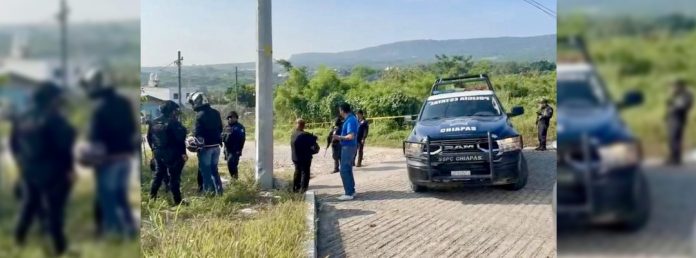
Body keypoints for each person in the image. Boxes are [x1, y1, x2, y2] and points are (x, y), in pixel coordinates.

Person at [11, 83, 76, 255]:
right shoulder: (54, 118)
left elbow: (14, 145)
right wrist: (69, 169)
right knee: (55, 211)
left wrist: (22, 164)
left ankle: (19, 239)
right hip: (53, 172)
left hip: (29, 171)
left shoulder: (22, 117)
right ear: (51, 99)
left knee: (28, 206)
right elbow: (64, 146)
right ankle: (59, 249)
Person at [79, 68, 138, 238]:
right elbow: (132, 129)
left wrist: (85, 153)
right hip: (125, 158)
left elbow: (94, 139)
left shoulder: (99, 107)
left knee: (108, 200)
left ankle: (115, 237)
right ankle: (130, 230)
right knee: (121, 198)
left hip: (108, 161)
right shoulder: (124, 103)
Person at [147, 100, 188, 205]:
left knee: (158, 175)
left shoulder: (153, 122)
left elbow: (149, 138)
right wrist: (183, 153)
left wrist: (154, 149)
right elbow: (180, 140)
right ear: (172, 111)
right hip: (172, 154)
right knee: (174, 177)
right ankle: (178, 201)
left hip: (158, 152)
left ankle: (152, 198)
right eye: (175, 110)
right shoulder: (174, 123)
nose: (176, 112)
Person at [188, 91, 224, 194]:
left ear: (197, 101)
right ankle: (219, 192)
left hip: (206, 148)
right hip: (216, 146)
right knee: (214, 171)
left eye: (192, 102)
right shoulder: (216, 112)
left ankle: (210, 195)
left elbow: (197, 133)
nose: (192, 105)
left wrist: (191, 139)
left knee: (206, 173)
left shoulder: (199, 115)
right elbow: (220, 128)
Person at [332, 103, 359, 200]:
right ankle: (351, 190)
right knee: (348, 169)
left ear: (342, 110)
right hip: (350, 146)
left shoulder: (350, 120)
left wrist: (337, 137)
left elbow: (351, 136)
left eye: (340, 110)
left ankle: (348, 193)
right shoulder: (351, 119)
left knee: (343, 170)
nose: (339, 112)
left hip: (348, 147)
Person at [666, 79, 693, 165]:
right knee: (671, 139)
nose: (674, 88)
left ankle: (676, 158)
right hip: (672, 118)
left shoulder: (686, 95)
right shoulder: (676, 95)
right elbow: (669, 104)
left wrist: (673, 105)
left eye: (675, 86)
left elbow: (682, 106)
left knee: (675, 138)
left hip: (678, 119)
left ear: (681, 86)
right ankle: (673, 157)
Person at [291, 119, 319, 193]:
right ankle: (303, 189)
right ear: (303, 125)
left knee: (297, 171)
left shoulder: (293, 134)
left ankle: (295, 188)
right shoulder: (305, 135)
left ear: (296, 124)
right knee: (305, 173)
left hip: (295, 157)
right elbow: (314, 143)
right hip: (305, 157)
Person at [222, 111, 246, 180]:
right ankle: (233, 179)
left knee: (232, 164)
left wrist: (239, 150)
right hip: (227, 150)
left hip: (235, 150)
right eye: (229, 118)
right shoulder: (226, 127)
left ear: (236, 118)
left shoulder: (239, 127)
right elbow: (223, 138)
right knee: (229, 165)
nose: (231, 119)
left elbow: (242, 139)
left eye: (233, 117)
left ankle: (235, 179)